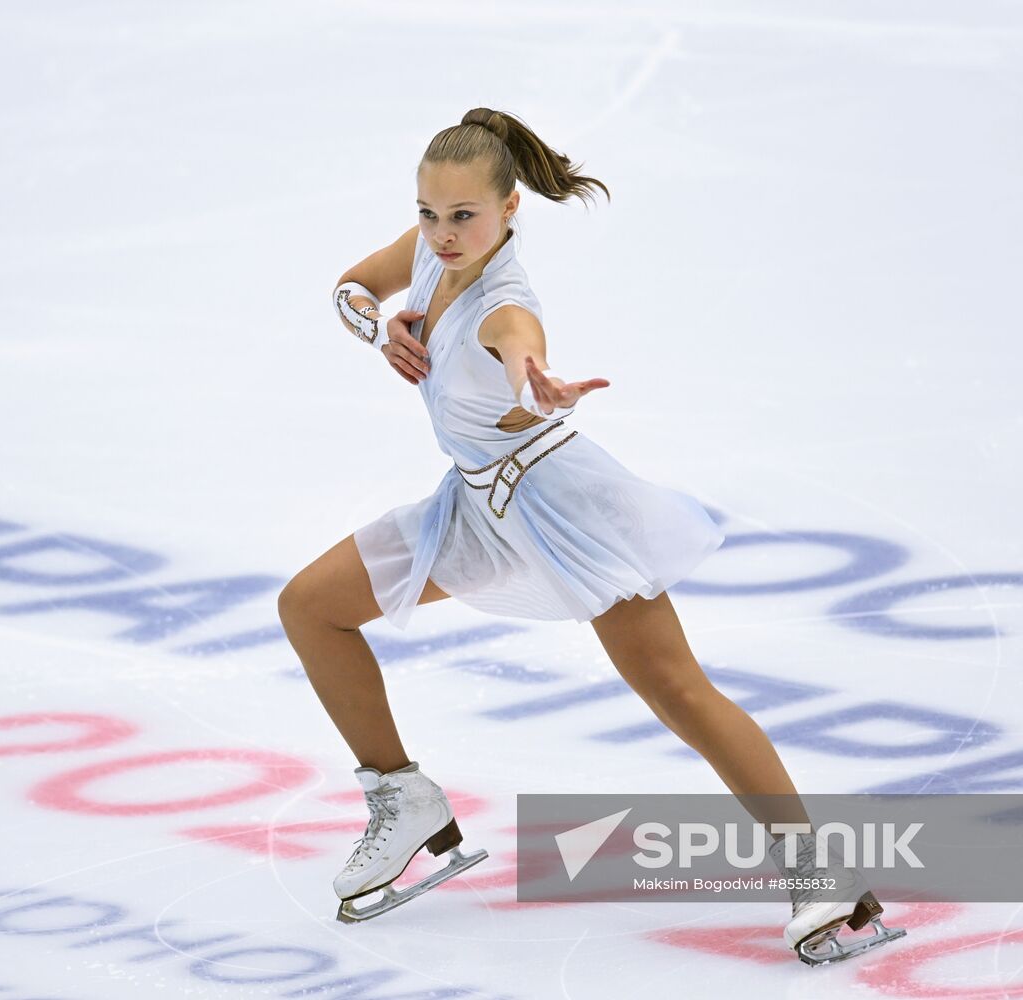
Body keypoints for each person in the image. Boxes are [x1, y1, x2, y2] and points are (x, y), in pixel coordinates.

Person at [277, 107, 905, 966]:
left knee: (676, 689)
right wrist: (379, 328)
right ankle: (404, 798)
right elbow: (350, 288)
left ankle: (816, 869)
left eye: (464, 215)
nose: (444, 232)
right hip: (474, 505)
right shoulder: (426, 254)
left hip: (559, 509)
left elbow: (520, 354)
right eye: (429, 212)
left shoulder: (504, 306)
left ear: (509, 210)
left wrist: (538, 387)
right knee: (311, 608)